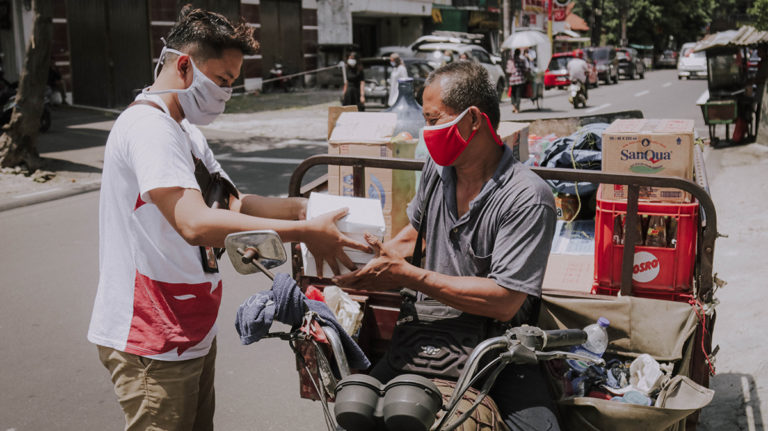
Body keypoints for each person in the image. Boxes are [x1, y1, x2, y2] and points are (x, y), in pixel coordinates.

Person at [88, 6, 369, 431]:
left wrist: (310, 210)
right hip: (152, 335)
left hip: (189, 327)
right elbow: (196, 223)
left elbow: (236, 206)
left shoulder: (186, 133)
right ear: (184, 65)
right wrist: (305, 232)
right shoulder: (149, 128)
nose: (225, 94)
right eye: (222, 81)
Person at [335, 61, 559, 431]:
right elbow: (413, 235)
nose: (426, 132)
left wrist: (411, 276)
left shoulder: (527, 197)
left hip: (495, 350)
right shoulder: (437, 172)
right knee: (355, 413)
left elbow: (504, 301)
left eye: (434, 119)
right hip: (424, 334)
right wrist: (369, 258)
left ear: (473, 119)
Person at [506, 48, 529, 113]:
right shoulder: (521, 60)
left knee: (512, 94)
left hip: (512, 80)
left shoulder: (510, 61)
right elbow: (524, 70)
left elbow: (508, 71)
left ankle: (514, 106)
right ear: (519, 53)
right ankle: (517, 108)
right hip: (519, 80)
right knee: (518, 94)